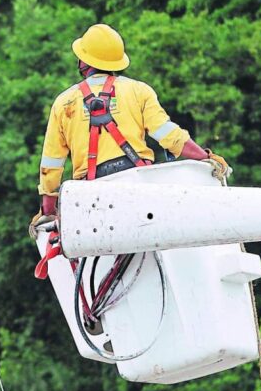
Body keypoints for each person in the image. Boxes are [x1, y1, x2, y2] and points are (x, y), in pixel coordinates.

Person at [30, 23, 229, 237]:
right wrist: (206, 157)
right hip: (139, 184)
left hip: (90, 196)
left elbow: (51, 165)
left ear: (83, 61)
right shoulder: (138, 91)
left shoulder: (64, 103)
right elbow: (170, 136)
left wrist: (48, 211)